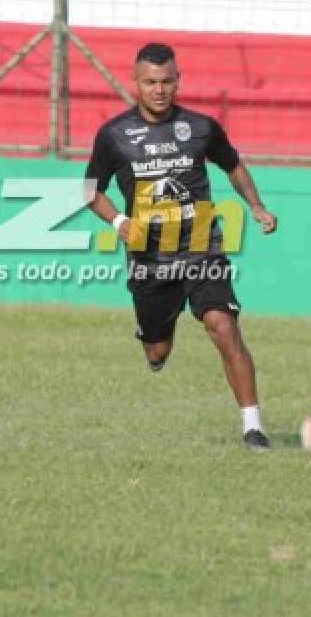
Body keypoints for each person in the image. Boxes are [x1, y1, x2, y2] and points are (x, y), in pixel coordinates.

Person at [86, 42, 279, 450]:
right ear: (136, 83)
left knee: (222, 326)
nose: (159, 90)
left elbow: (233, 166)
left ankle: (253, 427)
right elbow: (90, 191)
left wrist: (257, 207)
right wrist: (120, 222)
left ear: (178, 81)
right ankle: (154, 339)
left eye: (167, 82)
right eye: (150, 82)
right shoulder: (113, 135)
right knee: (157, 351)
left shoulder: (201, 127)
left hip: (201, 247)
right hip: (149, 258)